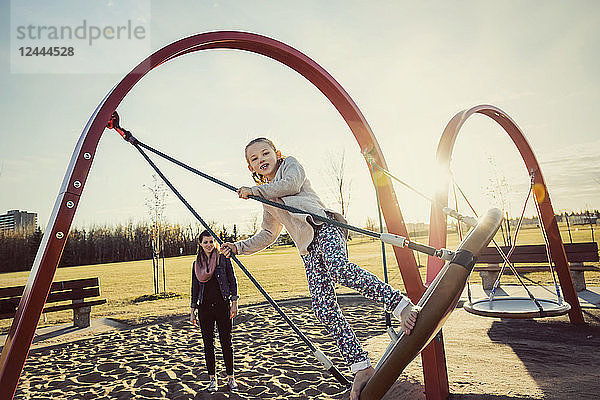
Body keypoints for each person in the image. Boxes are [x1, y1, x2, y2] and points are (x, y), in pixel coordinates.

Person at [221, 137, 420, 400]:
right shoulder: (266, 198)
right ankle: (361, 365)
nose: (261, 160)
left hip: (325, 227)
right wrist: (238, 247)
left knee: (339, 269)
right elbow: (268, 233)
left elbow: (289, 185)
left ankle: (400, 304)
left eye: (265, 153)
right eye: (254, 159)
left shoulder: (290, 166)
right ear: (251, 168)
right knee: (323, 308)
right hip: (308, 249)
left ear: (277, 153)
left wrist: (255, 191)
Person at [191, 230, 239, 392]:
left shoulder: (223, 259)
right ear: (200, 244)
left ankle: (230, 378)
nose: (209, 245)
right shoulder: (197, 263)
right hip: (204, 308)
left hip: (222, 305)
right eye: (205, 242)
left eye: (211, 241)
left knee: (226, 342)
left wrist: (234, 302)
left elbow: (232, 280)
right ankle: (212, 379)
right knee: (208, 344)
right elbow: (195, 287)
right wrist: (192, 310)